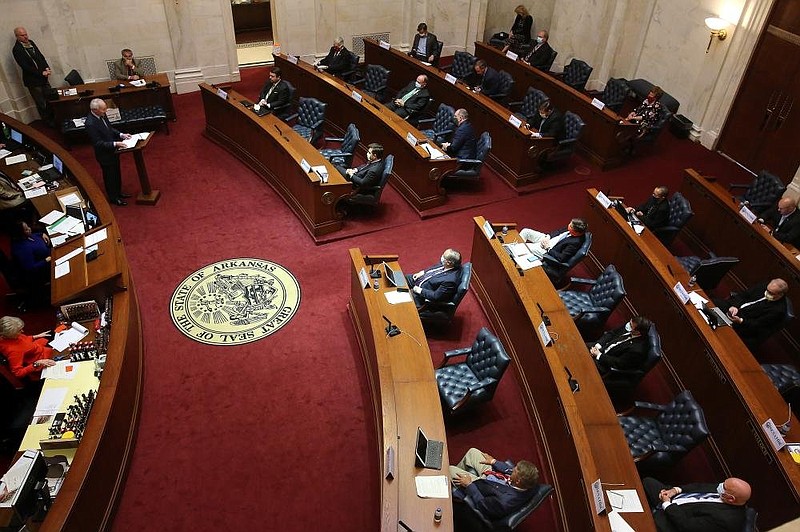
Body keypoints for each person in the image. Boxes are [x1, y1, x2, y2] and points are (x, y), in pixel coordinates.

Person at [450, 447, 540, 520]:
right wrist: (494, 462)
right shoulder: (531, 481)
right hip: (492, 476)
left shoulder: (503, 501)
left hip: (480, 487)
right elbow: (508, 470)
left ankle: (458, 490)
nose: (512, 469)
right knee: (472, 452)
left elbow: (482, 505)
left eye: (514, 471)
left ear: (518, 481)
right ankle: (454, 485)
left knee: (450, 470)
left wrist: (469, 485)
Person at [642, 476, 751, 532]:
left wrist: (667, 505)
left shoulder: (726, 520)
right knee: (647, 482)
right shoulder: (725, 492)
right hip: (672, 498)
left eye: (723, 487)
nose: (720, 485)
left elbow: (687, 525)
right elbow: (698, 487)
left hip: (673, 519)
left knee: (642, 522)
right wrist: (675, 490)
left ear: (731, 499)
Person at [714, 278, 789, 348]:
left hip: (745, 323)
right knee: (712, 303)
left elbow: (757, 324)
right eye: (767, 290)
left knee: (719, 333)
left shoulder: (778, 310)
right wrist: (734, 306)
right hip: (735, 308)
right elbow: (744, 295)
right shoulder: (765, 286)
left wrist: (740, 320)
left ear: (780, 295)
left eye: (771, 293)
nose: (767, 293)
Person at [85, 98, 132, 206]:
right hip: (104, 155)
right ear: (95, 110)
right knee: (110, 176)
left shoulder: (101, 114)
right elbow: (98, 143)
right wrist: (115, 144)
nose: (105, 111)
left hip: (113, 151)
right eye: (103, 110)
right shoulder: (90, 123)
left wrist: (121, 135)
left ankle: (119, 193)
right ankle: (113, 197)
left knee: (116, 173)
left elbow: (109, 129)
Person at [11, 27, 53, 123]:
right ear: (17, 36)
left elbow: (40, 56)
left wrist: (47, 68)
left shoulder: (31, 43)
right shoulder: (17, 49)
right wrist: (41, 73)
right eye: (22, 35)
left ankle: (54, 117)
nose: (25, 37)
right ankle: (48, 121)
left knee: (50, 98)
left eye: (26, 34)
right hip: (33, 81)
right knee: (41, 102)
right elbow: (25, 67)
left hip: (43, 78)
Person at [0, 316, 55, 380]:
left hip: (37, 346)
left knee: (53, 333)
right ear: (11, 334)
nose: (22, 331)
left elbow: (24, 339)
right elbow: (18, 373)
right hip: (41, 357)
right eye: (19, 331)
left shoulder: (6, 337)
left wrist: (37, 336)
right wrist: (37, 364)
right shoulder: (13, 352)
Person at [519, 218, 587, 262]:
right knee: (526, 231)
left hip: (546, 250)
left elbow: (561, 258)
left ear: (576, 232)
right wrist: (548, 237)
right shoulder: (572, 227)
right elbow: (558, 231)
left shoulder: (575, 243)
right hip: (547, 239)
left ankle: (512, 253)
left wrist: (548, 248)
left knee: (523, 246)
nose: (568, 225)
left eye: (571, 226)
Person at [10, 221, 51, 292]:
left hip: (49, 256)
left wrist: (41, 234)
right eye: (26, 229)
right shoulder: (22, 249)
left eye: (28, 226)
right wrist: (46, 260)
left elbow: (35, 236)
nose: (29, 229)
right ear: (20, 234)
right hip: (41, 271)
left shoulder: (28, 236)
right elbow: (31, 268)